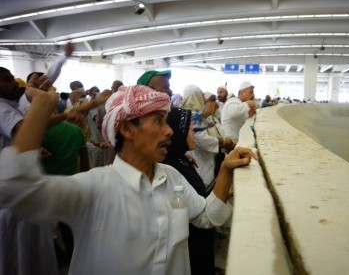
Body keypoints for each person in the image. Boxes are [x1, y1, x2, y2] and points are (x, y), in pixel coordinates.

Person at [0, 82, 256, 275]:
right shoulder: (93, 188)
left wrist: (226, 171)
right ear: (125, 128)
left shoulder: (173, 180)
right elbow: (14, 188)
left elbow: (205, 216)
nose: (169, 131)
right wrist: (42, 107)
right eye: (158, 121)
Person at [0, 67, 59, 275]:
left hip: (18, 192)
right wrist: (45, 101)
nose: (14, 83)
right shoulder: (2, 108)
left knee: (28, 255)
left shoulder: (10, 105)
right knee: (22, 257)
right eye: (7, 80)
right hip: (13, 199)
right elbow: (25, 128)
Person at [162, 107, 217, 275]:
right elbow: (200, 214)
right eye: (189, 130)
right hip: (192, 246)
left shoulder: (180, 159)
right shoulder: (171, 168)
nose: (194, 134)